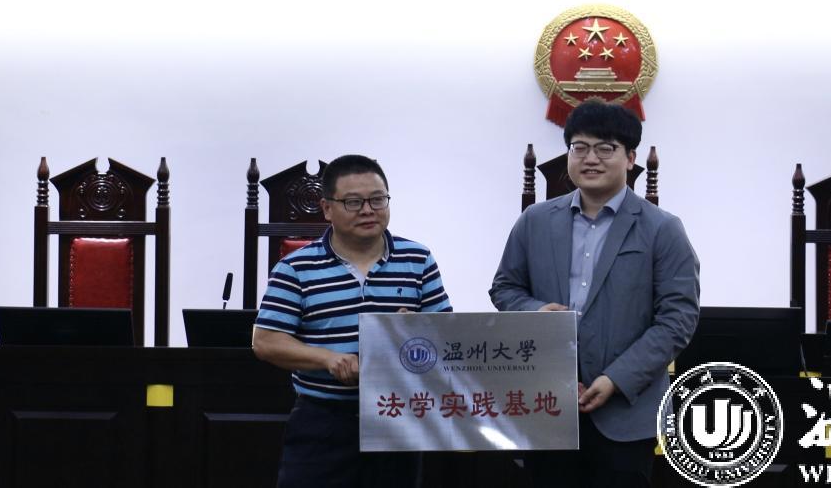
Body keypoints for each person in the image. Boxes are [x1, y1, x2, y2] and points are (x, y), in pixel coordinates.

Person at [490, 100, 700, 488]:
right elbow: (504, 287)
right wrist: (535, 310)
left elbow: (677, 320)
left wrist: (617, 379)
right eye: (580, 147)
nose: (590, 159)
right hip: (546, 405)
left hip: (627, 411)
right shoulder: (535, 221)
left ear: (630, 158)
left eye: (605, 148)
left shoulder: (662, 229)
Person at [253, 154, 452, 488]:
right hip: (323, 420)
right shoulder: (296, 268)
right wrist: (328, 359)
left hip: (396, 416)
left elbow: (446, 335)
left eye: (377, 199)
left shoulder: (418, 259)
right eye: (354, 202)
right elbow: (266, 341)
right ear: (327, 208)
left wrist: (416, 329)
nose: (368, 210)